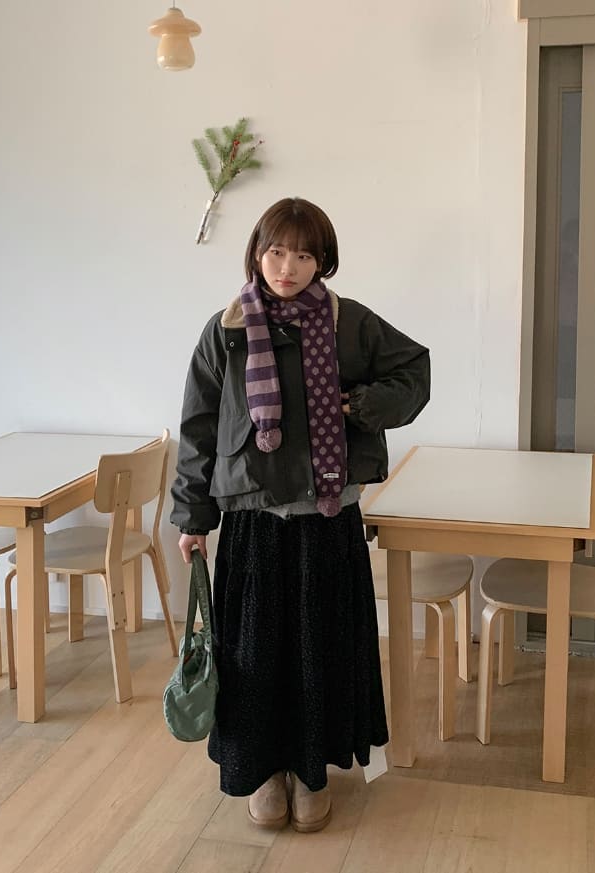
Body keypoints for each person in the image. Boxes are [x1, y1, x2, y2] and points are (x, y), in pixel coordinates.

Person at [171, 197, 430, 833]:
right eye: (277, 251)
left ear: (323, 261)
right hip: (253, 522)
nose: (288, 267)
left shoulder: (350, 323)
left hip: (328, 517)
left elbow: (414, 372)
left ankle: (313, 772)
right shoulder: (226, 329)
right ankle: (263, 771)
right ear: (257, 254)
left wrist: (361, 406)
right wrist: (192, 517)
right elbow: (198, 428)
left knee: (320, 650)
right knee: (255, 656)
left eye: (305, 255)